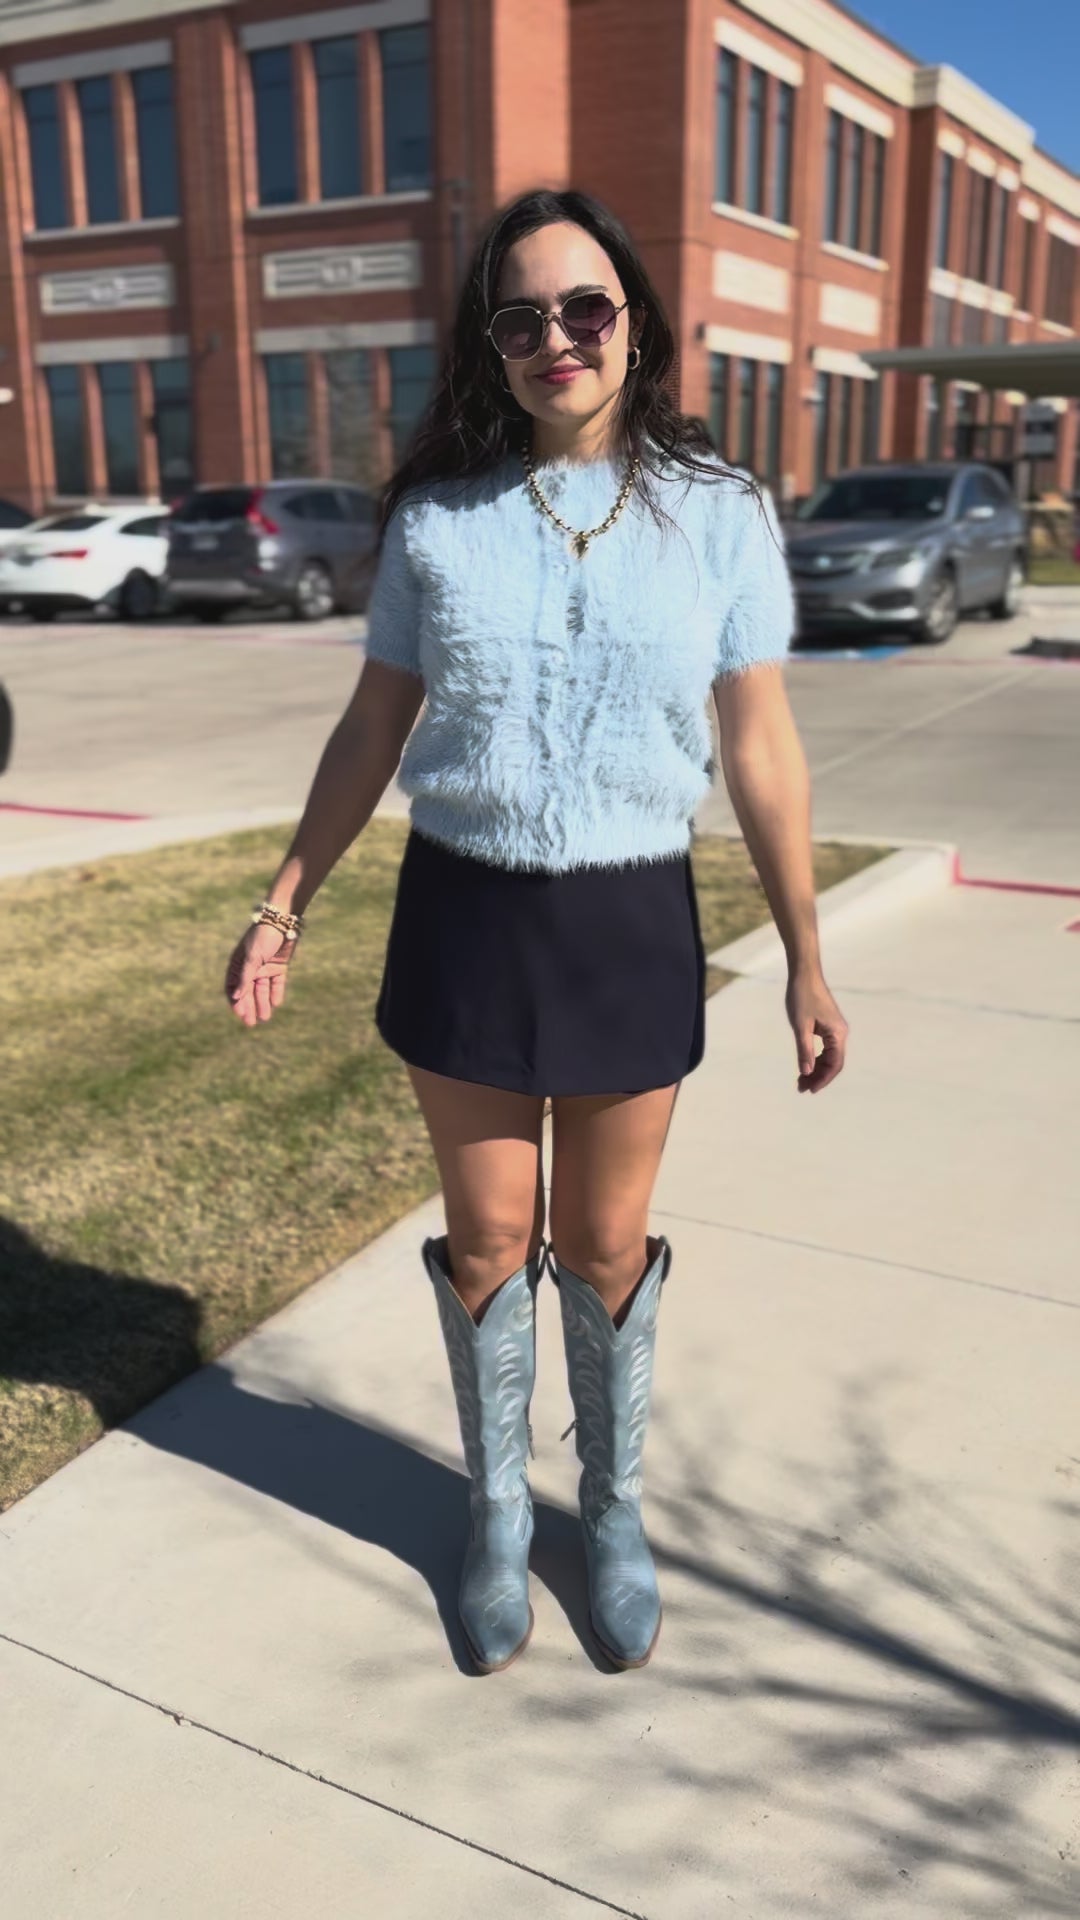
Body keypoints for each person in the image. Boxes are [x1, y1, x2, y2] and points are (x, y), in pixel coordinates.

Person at [223, 187, 848, 1677]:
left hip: (627, 918)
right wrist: (284, 897)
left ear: (634, 324)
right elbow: (373, 725)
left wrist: (807, 953)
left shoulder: (720, 513)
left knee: (605, 1239)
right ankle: (499, 1510)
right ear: (488, 345)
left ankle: (612, 1508)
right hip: (467, 914)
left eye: (585, 308)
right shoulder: (439, 519)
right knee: (492, 1236)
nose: (556, 337)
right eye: (521, 317)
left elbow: (761, 745)